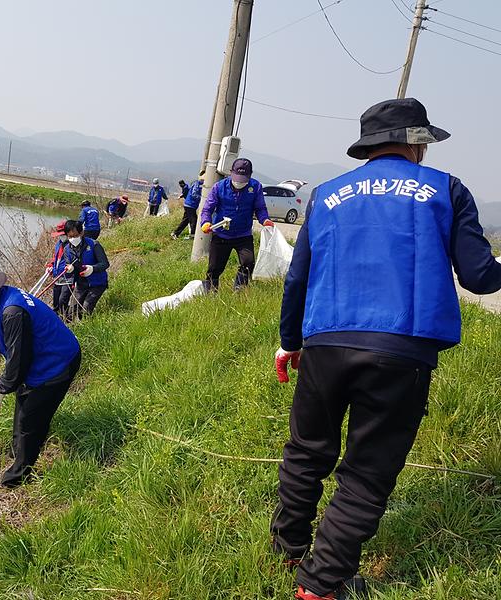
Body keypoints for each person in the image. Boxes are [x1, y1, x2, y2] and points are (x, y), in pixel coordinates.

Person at [271, 98, 501, 600]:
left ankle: (287, 549)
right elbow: (481, 277)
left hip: (325, 342)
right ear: (416, 142)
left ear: (370, 144)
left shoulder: (327, 195)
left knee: (307, 451)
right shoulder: (447, 190)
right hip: (403, 349)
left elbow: (298, 278)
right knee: (367, 470)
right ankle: (320, 583)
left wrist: (290, 343)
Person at [0, 263, 81, 488]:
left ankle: (18, 477)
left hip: (58, 363)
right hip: (43, 357)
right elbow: (12, 337)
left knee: (31, 419)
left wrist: (0, 387)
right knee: (23, 409)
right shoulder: (4, 298)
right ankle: (18, 452)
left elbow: (20, 361)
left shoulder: (12, 311)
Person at [199, 158, 274, 291]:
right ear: (231, 172)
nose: (239, 182)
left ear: (250, 175)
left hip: (243, 234)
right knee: (214, 267)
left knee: (248, 262)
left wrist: (265, 220)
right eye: (237, 178)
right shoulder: (219, 187)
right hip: (221, 234)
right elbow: (207, 209)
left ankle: (239, 290)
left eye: (243, 179)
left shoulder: (255, 187)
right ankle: (210, 293)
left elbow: (260, 208)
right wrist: (206, 222)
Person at [63, 219, 109, 318]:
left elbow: (105, 264)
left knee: (86, 308)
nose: (73, 239)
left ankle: (87, 327)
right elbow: (67, 265)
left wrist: (92, 268)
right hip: (80, 284)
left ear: (81, 233)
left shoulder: (93, 245)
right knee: (72, 311)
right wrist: (69, 268)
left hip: (97, 283)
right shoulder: (67, 249)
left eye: (75, 236)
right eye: (70, 236)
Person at [46, 220, 71, 318]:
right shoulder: (59, 244)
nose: (61, 236)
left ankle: (66, 320)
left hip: (68, 278)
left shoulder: (73, 245)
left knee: (62, 301)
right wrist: (50, 266)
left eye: (63, 234)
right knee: (56, 303)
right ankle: (56, 319)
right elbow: (56, 258)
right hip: (57, 278)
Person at [172, 172, 204, 240]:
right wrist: (202, 198)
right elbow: (194, 194)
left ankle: (175, 233)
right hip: (190, 205)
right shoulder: (197, 184)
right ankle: (192, 235)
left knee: (186, 220)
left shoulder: (200, 184)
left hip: (190, 205)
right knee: (193, 220)